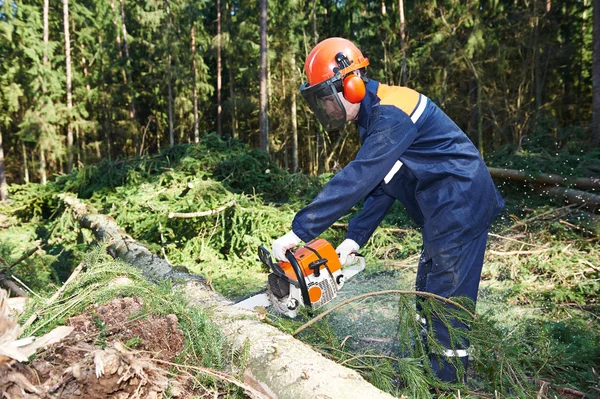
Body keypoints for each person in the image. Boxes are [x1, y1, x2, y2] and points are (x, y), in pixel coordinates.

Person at [271, 37, 504, 383]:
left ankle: (446, 383)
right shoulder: (375, 119)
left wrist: (301, 230)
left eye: (327, 99)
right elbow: (384, 183)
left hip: (461, 205)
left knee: (445, 305)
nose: (328, 109)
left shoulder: (393, 112)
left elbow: (360, 177)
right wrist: (354, 238)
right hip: (442, 210)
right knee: (427, 295)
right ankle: (426, 373)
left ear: (349, 85)